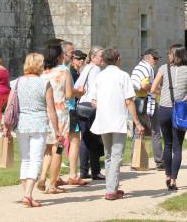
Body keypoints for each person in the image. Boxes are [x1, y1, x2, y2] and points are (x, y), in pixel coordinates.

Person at [89, 48, 145, 201]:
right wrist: (137, 123)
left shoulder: (100, 76)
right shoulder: (123, 76)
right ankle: (111, 190)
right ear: (118, 59)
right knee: (116, 155)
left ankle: (111, 187)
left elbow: (93, 101)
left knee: (108, 155)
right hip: (118, 120)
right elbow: (129, 101)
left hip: (103, 119)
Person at [14, 53, 61, 208]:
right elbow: (51, 110)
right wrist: (57, 129)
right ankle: (28, 194)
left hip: (22, 124)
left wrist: (5, 126)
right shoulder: (44, 83)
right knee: (35, 160)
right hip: (39, 124)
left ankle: (26, 194)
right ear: (38, 66)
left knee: (26, 160)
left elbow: (9, 107)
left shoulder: (17, 82)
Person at [151, 44, 187, 191]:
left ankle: (167, 175)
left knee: (167, 144)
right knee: (177, 147)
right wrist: (185, 97)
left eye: (170, 53)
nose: (168, 56)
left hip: (164, 109)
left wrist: (165, 93)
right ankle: (173, 180)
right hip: (180, 110)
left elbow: (153, 89)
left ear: (175, 55)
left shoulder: (163, 68)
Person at [37, 44, 73, 194]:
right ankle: (52, 184)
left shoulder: (42, 73)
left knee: (47, 148)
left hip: (45, 113)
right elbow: (69, 95)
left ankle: (43, 176)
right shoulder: (64, 71)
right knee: (58, 148)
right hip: (60, 112)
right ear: (59, 57)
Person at [74, 47, 105, 180]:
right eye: (100, 56)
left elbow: (78, 86)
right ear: (93, 57)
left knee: (85, 138)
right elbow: (96, 89)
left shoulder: (86, 68)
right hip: (91, 105)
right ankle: (96, 170)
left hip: (82, 105)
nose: (102, 59)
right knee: (94, 139)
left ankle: (83, 170)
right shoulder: (96, 70)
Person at [130, 49, 164, 169]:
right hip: (147, 102)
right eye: (154, 58)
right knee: (155, 131)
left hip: (137, 102)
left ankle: (135, 162)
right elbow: (144, 85)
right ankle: (159, 161)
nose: (156, 61)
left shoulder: (137, 68)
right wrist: (157, 90)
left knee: (139, 131)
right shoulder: (147, 68)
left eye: (157, 58)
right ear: (147, 58)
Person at [62, 43, 88, 186]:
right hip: (69, 108)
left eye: (83, 58)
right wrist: (79, 92)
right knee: (73, 140)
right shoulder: (69, 72)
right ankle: (73, 173)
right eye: (78, 58)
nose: (81, 61)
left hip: (65, 108)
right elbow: (69, 92)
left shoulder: (74, 72)